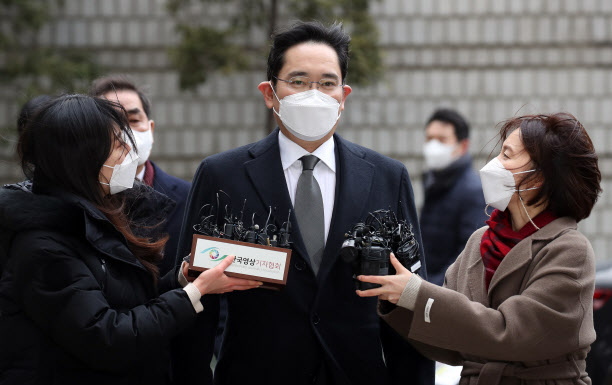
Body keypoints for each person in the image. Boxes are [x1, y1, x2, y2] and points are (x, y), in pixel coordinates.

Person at [172, 21, 434, 385]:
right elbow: (193, 294)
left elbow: (409, 296)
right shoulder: (223, 175)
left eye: (327, 83)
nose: (314, 94)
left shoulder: (387, 176)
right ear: (269, 93)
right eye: (297, 81)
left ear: (344, 95)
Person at [0, 94, 261, 384]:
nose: (130, 151)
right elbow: (106, 337)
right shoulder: (43, 245)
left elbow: (126, 301)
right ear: (82, 159)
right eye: (117, 144)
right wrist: (192, 294)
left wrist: (182, 281)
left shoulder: (94, 216)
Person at [357, 113, 601, 385]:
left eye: (507, 156)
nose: (494, 163)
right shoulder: (481, 240)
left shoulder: (569, 249)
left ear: (538, 176)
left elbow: (511, 334)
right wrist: (396, 298)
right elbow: (450, 341)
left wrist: (416, 292)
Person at [91, 75, 190, 276]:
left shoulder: (189, 197)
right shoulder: (81, 198)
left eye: (134, 120)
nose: (125, 133)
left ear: (150, 129)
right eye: (111, 123)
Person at [420, 108, 487, 285]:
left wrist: (428, 286)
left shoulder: (473, 190)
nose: (433, 146)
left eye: (442, 140)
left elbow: (469, 256)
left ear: (462, 145)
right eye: (429, 139)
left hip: (444, 293)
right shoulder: (434, 181)